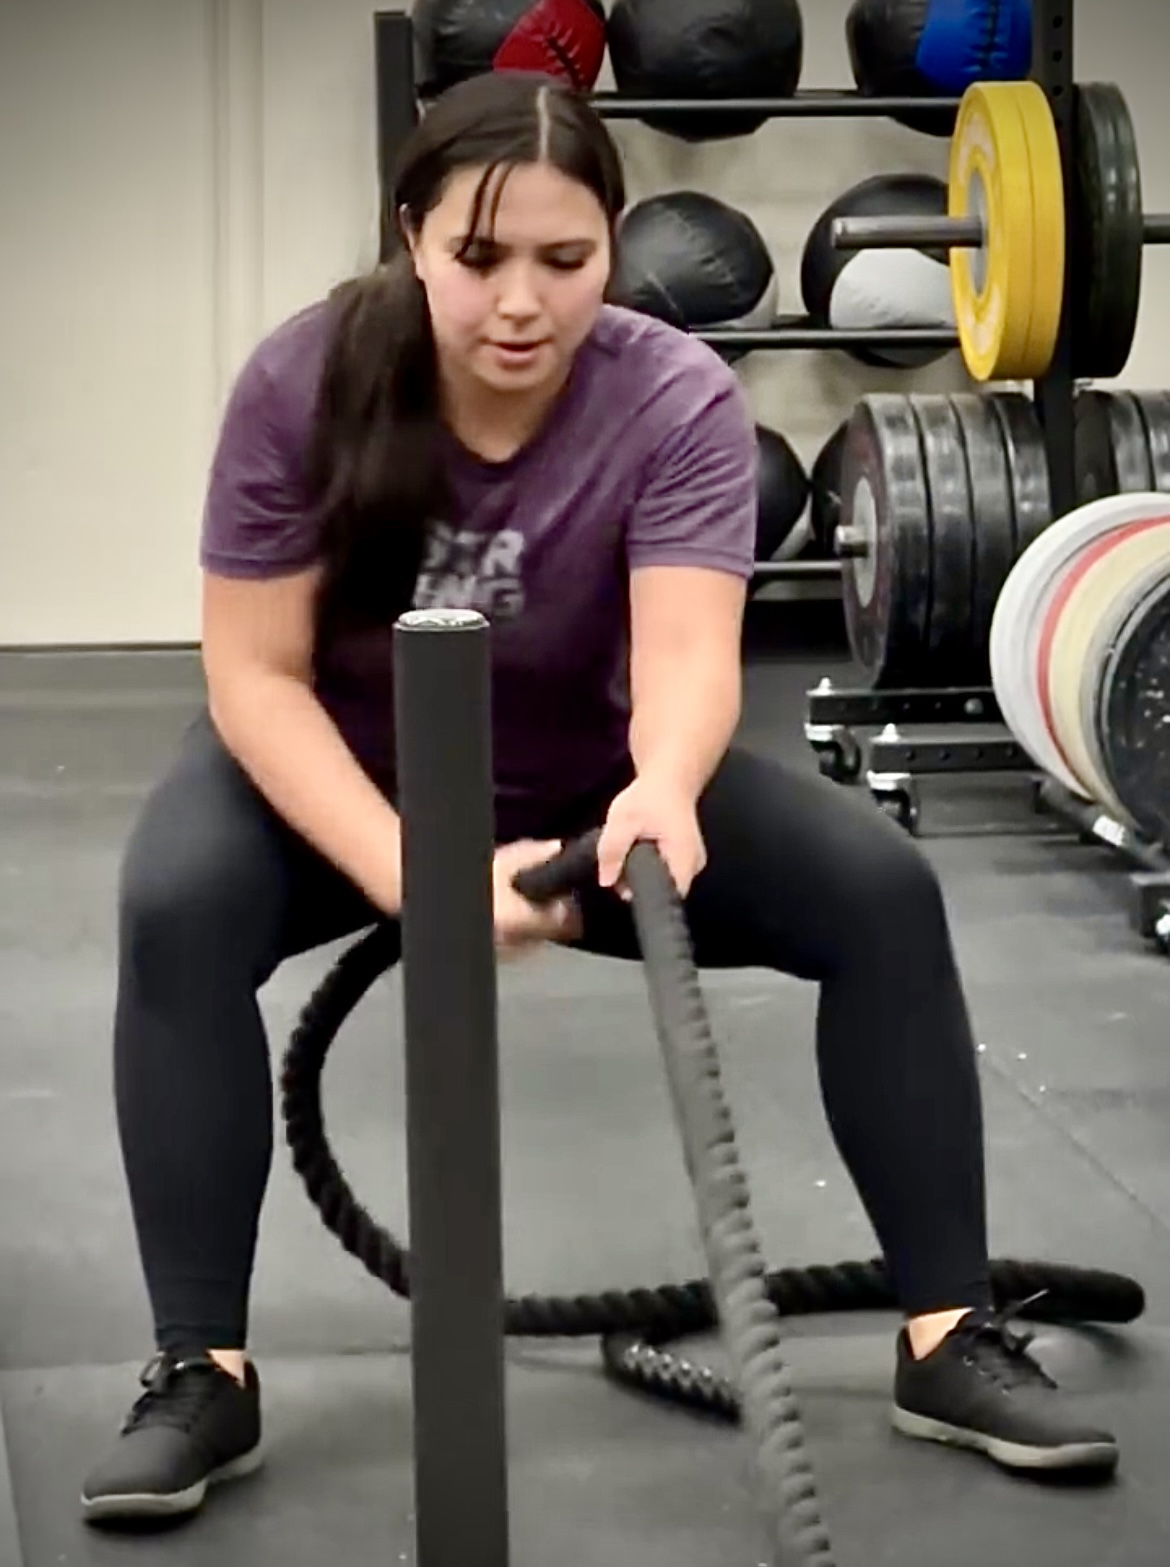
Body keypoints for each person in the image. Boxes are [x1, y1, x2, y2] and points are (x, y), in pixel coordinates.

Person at [81, 68, 1118, 1528]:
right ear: (410, 238)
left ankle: (947, 1337)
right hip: (342, 767)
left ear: (613, 252)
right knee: (173, 909)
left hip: (584, 782)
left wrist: (660, 790)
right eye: (478, 258)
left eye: (565, 263)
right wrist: (408, 867)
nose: (521, 302)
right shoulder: (304, 380)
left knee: (881, 895)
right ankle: (202, 1366)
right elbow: (252, 673)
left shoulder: (673, 395)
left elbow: (689, 653)